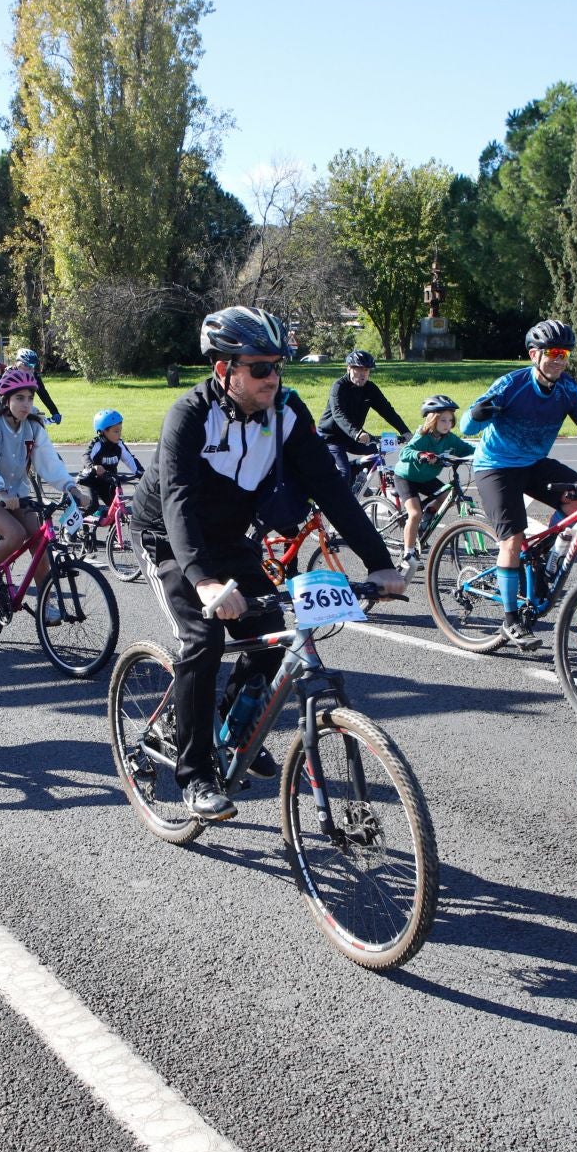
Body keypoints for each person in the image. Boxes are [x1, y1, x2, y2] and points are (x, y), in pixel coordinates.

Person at [133, 306, 406, 821]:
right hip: (170, 539)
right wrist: (207, 583)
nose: (273, 378)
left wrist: (379, 564)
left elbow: (331, 490)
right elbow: (179, 503)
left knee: (271, 632)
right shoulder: (190, 415)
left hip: (230, 538)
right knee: (205, 638)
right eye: (260, 368)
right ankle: (194, 777)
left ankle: (233, 730)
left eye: (279, 366)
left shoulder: (287, 413)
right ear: (224, 370)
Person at [463, 319, 577, 647]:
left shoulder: (568, 390)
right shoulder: (511, 384)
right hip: (496, 466)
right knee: (512, 539)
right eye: (553, 353)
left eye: (564, 353)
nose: (560, 360)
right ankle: (510, 620)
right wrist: (476, 414)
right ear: (534, 354)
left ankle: (542, 557)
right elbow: (467, 425)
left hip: (535, 463)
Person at [0, 367, 76, 610]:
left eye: (30, 398)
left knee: (39, 541)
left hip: (18, 495)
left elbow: (49, 463)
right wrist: (0, 489)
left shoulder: (33, 427)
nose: (26, 404)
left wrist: (71, 488)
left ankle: (46, 601)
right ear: (6, 400)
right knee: (15, 534)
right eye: (19, 398)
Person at [391, 395, 476, 573]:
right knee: (414, 513)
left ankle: (425, 523)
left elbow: (468, 449)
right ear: (433, 419)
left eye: (450, 420)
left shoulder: (450, 438)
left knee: (448, 497)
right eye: (443, 420)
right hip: (407, 477)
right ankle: (408, 554)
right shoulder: (423, 435)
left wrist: (487, 453)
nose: (447, 423)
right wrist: (420, 455)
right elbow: (405, 452)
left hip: (427, 478)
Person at [317, 350, 409, 486]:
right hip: (332, 438)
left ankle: (354, 472)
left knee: (377, 454)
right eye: (358, 369)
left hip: (354, 437)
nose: (363, 374)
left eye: (366, 370)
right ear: (348, 368)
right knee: (343, 473)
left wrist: (405, 432)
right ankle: (335, 503)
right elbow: (338, 413)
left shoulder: (370, 388)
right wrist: (356, 433)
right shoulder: (339, 387)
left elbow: (387, 411)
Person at [74, 409, 143, 515]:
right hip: (90, 481)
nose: (119, 434)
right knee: (92, 506)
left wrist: (142, 474)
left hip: (108, 482)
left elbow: (130, 460)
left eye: (120, 430)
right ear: (102, 432)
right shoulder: (97, 444)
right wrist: (93, 467)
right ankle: (71, 527)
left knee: (118, 510)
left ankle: (114, 530)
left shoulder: (119, 445)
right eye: (116, 431)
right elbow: (85, 456)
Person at [13, 348, 61, 425]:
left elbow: (43, 394)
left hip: (26, 408)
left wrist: (54, 412)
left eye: (34, 366)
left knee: (38, 418)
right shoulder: (9, 375)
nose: (32, 369)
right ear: (20, 365)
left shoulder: (34, 376)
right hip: (9, 412)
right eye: (29, 366)